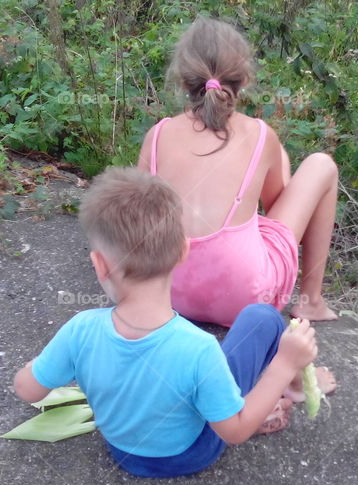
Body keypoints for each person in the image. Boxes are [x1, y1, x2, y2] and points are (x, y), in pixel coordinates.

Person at [12, 167, 320, 478]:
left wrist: (39, 365)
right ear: (183, 250)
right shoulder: (198, 348)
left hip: (123, 453)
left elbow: (27, 390)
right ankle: (289, 390)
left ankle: (258, 398)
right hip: (192, 454)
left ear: (100, 264)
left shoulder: (80, 330)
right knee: (262, 317)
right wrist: (284, 364)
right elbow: (234, 432)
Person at [138, 16, 340, 330]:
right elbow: (276, 213)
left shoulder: (157, 135)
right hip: (244, 301)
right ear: (244, 79)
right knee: (321, 164)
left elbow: (138, 219)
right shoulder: (259, 134)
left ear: (182, 80)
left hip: (166, 293)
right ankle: (311, 301)